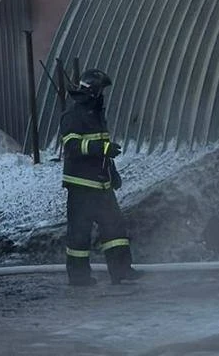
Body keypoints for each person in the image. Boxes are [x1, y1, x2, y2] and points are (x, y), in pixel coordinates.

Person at [60, 68, 143, 287]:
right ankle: (79, 277)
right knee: (80, 233)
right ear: (93, 91)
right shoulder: (74, 115)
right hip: (81, 186)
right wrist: (102, 148)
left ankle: (121, 270)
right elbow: (72, 146)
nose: (103, 95)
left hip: (101, 183)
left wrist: (112, 173)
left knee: (115, 228)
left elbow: (103, 149)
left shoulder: (95, 113)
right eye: (101, 90)